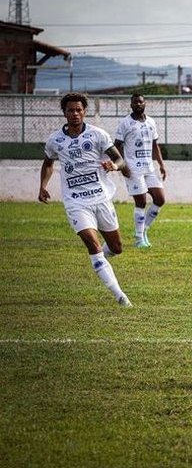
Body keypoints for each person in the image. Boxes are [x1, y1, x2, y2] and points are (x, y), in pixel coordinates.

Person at [38, 92, 133, 308]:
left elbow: (120, 160)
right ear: (64, 113)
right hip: (76, 202)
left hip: (100, 198)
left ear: (85, 112)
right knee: (93, 243)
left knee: (116, 248)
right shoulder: (55, 140)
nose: (75, 114)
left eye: (78, 110)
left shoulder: (98, 135)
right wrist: (42, 187)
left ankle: (100, 262)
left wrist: (114, 166)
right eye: (70, 110)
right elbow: (48, 163)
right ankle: (120, 296)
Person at [114, 93, 167, 248]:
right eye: (135, 102)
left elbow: (154, 145)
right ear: (131, 105)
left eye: (140, 102)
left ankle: (144, 230)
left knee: (160, 199)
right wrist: (121, 165)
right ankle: (138, 239)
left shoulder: (151, 122)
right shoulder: (125, 123)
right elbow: (116, 146)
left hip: (149, 168)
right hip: (133, 169)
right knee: (141, 201)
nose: (138, 104)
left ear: (145, 104)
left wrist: (161, 165)